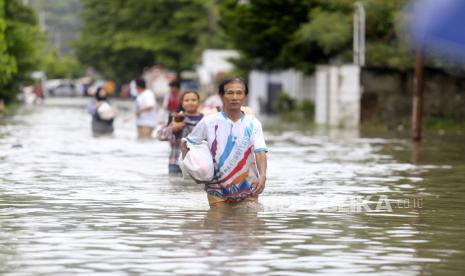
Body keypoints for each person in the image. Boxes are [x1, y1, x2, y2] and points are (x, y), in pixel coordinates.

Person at [182, 78, 268, 207]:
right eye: (230, 93)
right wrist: (195, 172)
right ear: (221, 96)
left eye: (239, 93)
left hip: (249, 185)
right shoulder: (208, 121)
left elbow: (260, 151)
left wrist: (263, 176)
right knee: (218, 223)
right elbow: (188, 144)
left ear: (245, 96)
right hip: (216, 187)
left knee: (250, 224)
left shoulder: (253, 123)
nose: (235, 97)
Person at [159, 91, 204, 176]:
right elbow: (160, 135)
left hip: (198, 163)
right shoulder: (176, 118)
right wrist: (172, 129)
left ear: (199, 102)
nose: (190, 102)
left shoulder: (205, 120)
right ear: (182, 103)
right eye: (186, 100)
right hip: (175, 162)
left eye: (193, 100)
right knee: (175, 188)